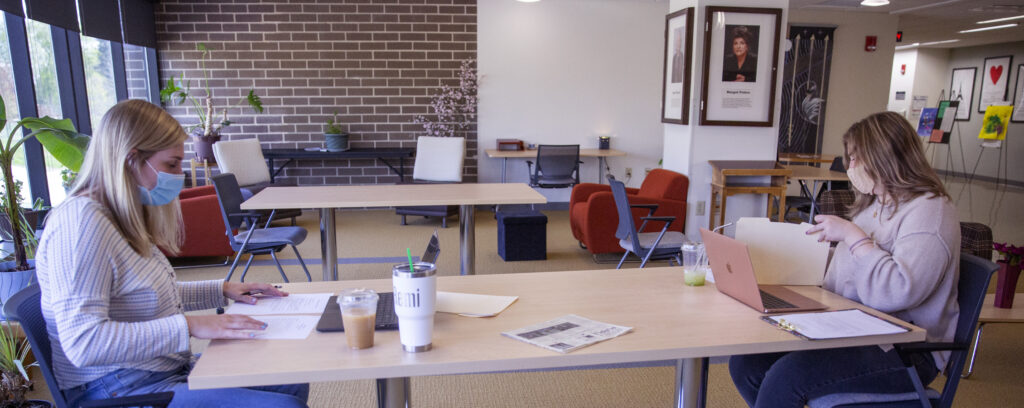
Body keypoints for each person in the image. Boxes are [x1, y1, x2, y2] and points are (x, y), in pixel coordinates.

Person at [36, 100, 310, 407]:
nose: (179, 176)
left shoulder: (119, 215)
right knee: (283, 406)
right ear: (131, 160)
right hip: (117, 388)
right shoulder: (81, 225)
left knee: (290, 374)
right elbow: (84, 342)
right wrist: (192, 326)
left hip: (160, 370)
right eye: (171, 165)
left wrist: (221, 290)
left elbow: (141, 293)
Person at [728, 111, 960, 407]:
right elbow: (845, 276)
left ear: (883, 157)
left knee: (786, 379)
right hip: (857, 329)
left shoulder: (930, 211)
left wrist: (853, 236)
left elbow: (899, 290)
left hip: (907, 349)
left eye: (855, 158)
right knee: (746, 365)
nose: (850, 168)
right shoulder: (876, 203)